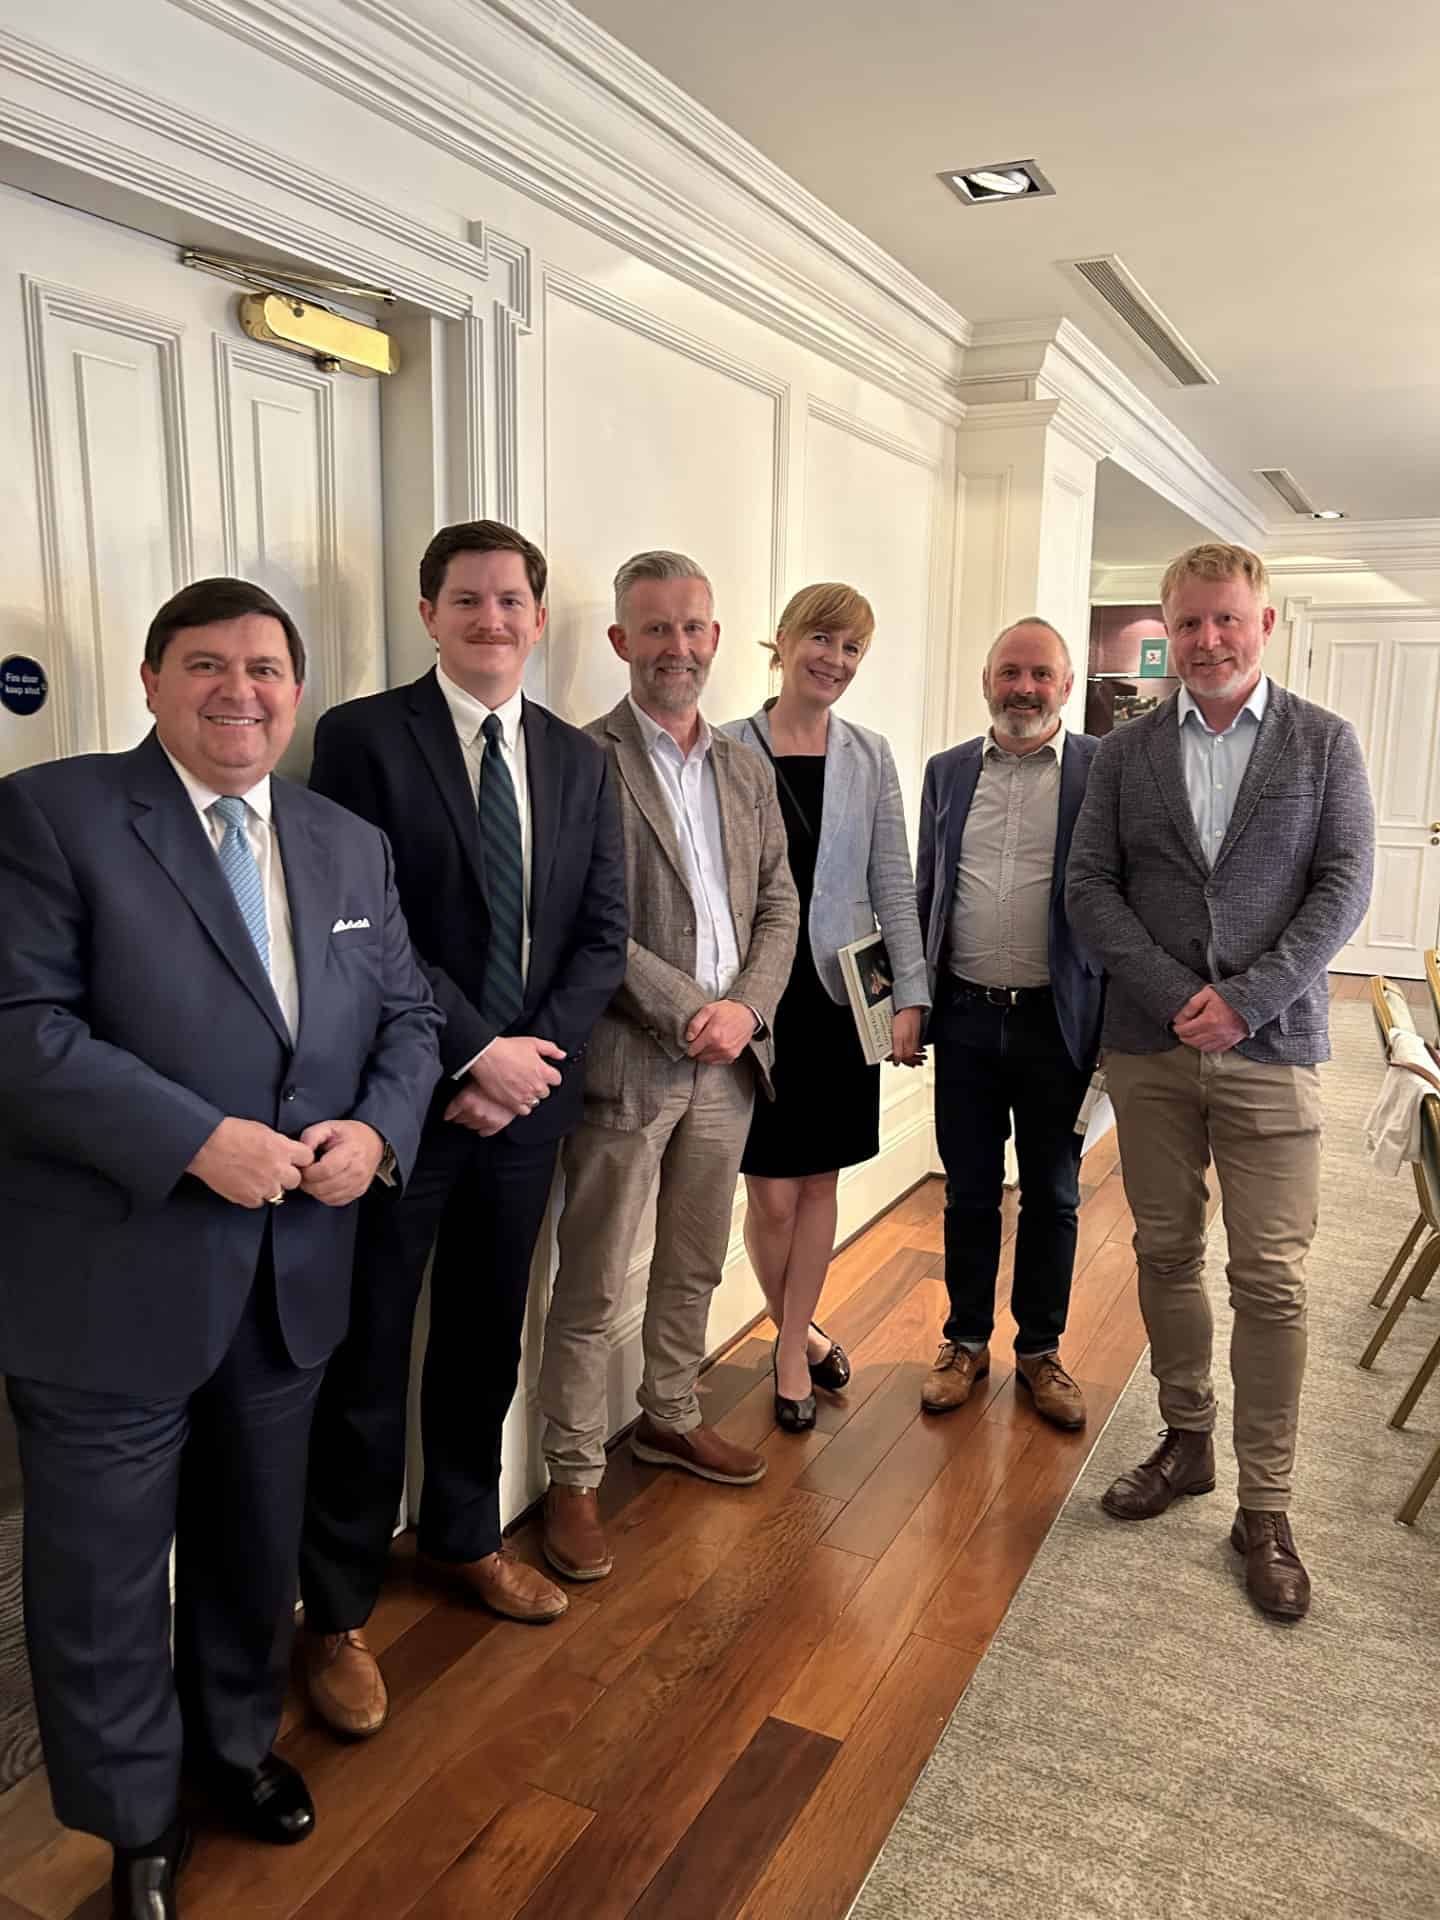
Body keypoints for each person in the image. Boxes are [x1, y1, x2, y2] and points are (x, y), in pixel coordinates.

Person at [0, 579, 441, 1920]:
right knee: (102, 1575)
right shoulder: (52, 813)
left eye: (263, 668)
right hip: (111, 1279)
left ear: (295, 692)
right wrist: (198, 1138)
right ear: (150, 682)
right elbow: (21, 1029)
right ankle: (133, 1824)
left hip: (291, 1276)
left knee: (253, 1547)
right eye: (205, 664)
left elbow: (410, 1017)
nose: (237, 691)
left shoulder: (347, 842)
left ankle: (234, 1751)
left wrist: (378, 1130)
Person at [298, 521, 627, 1731]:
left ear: (539, 619)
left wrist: (525, 1065)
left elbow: (601, 933)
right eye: (468, 600)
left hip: (526, 1106)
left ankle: (461, 1536)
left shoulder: (578, 762)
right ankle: (332, 1611)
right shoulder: (361, 740)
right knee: (369, 1349)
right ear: (429, 613)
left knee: (486, 1334)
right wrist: (470, 1050)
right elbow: (358, 916)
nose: (492, 620)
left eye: (512, 601)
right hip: (400, 1102)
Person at [1067, 542, 1374, 1622]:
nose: (1206, 641)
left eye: (1225, 621)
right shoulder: (1124, 753)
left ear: (1264, 623)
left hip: (1273, 1046)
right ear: (1166, 628)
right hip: (1149, 1051)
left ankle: (1268, 1506)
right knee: (1163, 1250)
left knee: (1274, 1279)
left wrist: (1248, 997)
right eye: (1188, 624)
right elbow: (1091, 888)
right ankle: (1187, 1437)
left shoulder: (1324, 743)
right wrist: (1168, 989)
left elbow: (1344, 886)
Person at [538, 550, 798, 1564]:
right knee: (595, 1277)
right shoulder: (579, 761)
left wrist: (747, 1014)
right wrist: (693, 1009)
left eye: (693, 627)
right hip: (630, 1060)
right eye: (655, 629)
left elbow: (780, 899)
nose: (676, 647)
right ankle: (571, 1475)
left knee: (695, 1256)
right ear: (620, 643)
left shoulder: (746, 763)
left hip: (731, 1065)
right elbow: (580, 920)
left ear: (717, 638)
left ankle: (670, 1411)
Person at [721, 583, 927, 1430]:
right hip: (757, 995)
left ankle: (789, 1344)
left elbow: (894, 885)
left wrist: (911, 995)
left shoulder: (871, 755)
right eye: (822, 640)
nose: (835, 661)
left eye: (852, 649)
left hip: (842, 998)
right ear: (783, 640)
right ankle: (796, 1333)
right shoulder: (726, 748)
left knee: (818, 1185)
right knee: (769, 1195)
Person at [915, 617, 1103, 1430]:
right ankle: (963, 1341)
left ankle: (1040, 1350)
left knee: (1055, 1193)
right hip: (963, 1016)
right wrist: (912, 1002)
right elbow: (926, 889)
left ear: (1065, 685)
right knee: (968, 1192)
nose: (1023, 689)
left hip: (1057, 1022)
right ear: (986, 679)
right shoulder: (947, 771)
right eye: (1009, 673)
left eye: (1040, 675)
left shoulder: (1103, 769)